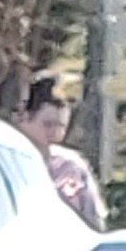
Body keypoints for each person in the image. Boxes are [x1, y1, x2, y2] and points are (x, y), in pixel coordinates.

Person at [19, 74, 106, 226]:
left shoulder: (71, 165)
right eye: (47, 124)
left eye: (61, 126)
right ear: (25, 119)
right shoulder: (9, 159)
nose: (55, 133)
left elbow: (94, 219)